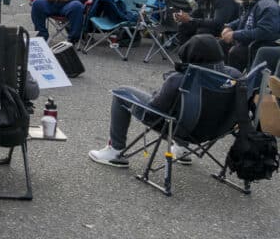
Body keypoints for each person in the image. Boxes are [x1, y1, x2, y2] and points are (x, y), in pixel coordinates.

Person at [88, 35, 241, 167]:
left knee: (121, 92)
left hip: (182, 129)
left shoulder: (180, 79)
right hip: (215, 131)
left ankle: (115, 151)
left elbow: (155, 109)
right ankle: (182, 149)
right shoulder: (235, 76)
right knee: (188, 106)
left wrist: (161, 90)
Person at [221, 0, 280, 70]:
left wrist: (235, 35)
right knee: (220, 44)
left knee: (235, 52)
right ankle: (220, 75)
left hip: (258, 44)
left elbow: (265, 32)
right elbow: (244, 19)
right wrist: (229, 26)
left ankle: (234, 81)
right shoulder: (253, 2)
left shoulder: (267, 6)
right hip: (248, 40)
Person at [171, 0, 240, 47]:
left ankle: (201, 56)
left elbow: (219, 23)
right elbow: (196, 14)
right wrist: (183, 17)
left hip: (226, 30)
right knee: (184, 26)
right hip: (212, 27)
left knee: (202, 32)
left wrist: (191, 20)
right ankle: (186, 54)